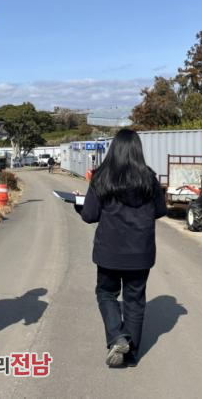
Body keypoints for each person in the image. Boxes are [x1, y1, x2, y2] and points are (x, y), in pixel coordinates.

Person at [75, 129, 166, 367]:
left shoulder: (101, 177)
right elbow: (160, 211)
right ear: (137, 150)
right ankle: (131, 355)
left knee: (106, 294)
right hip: (141, 252)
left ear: (113, 149)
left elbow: (90, 215)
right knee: (135, 301)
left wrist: (78, 204)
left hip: (109, 252)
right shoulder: (149, 178)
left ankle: (117, 336)